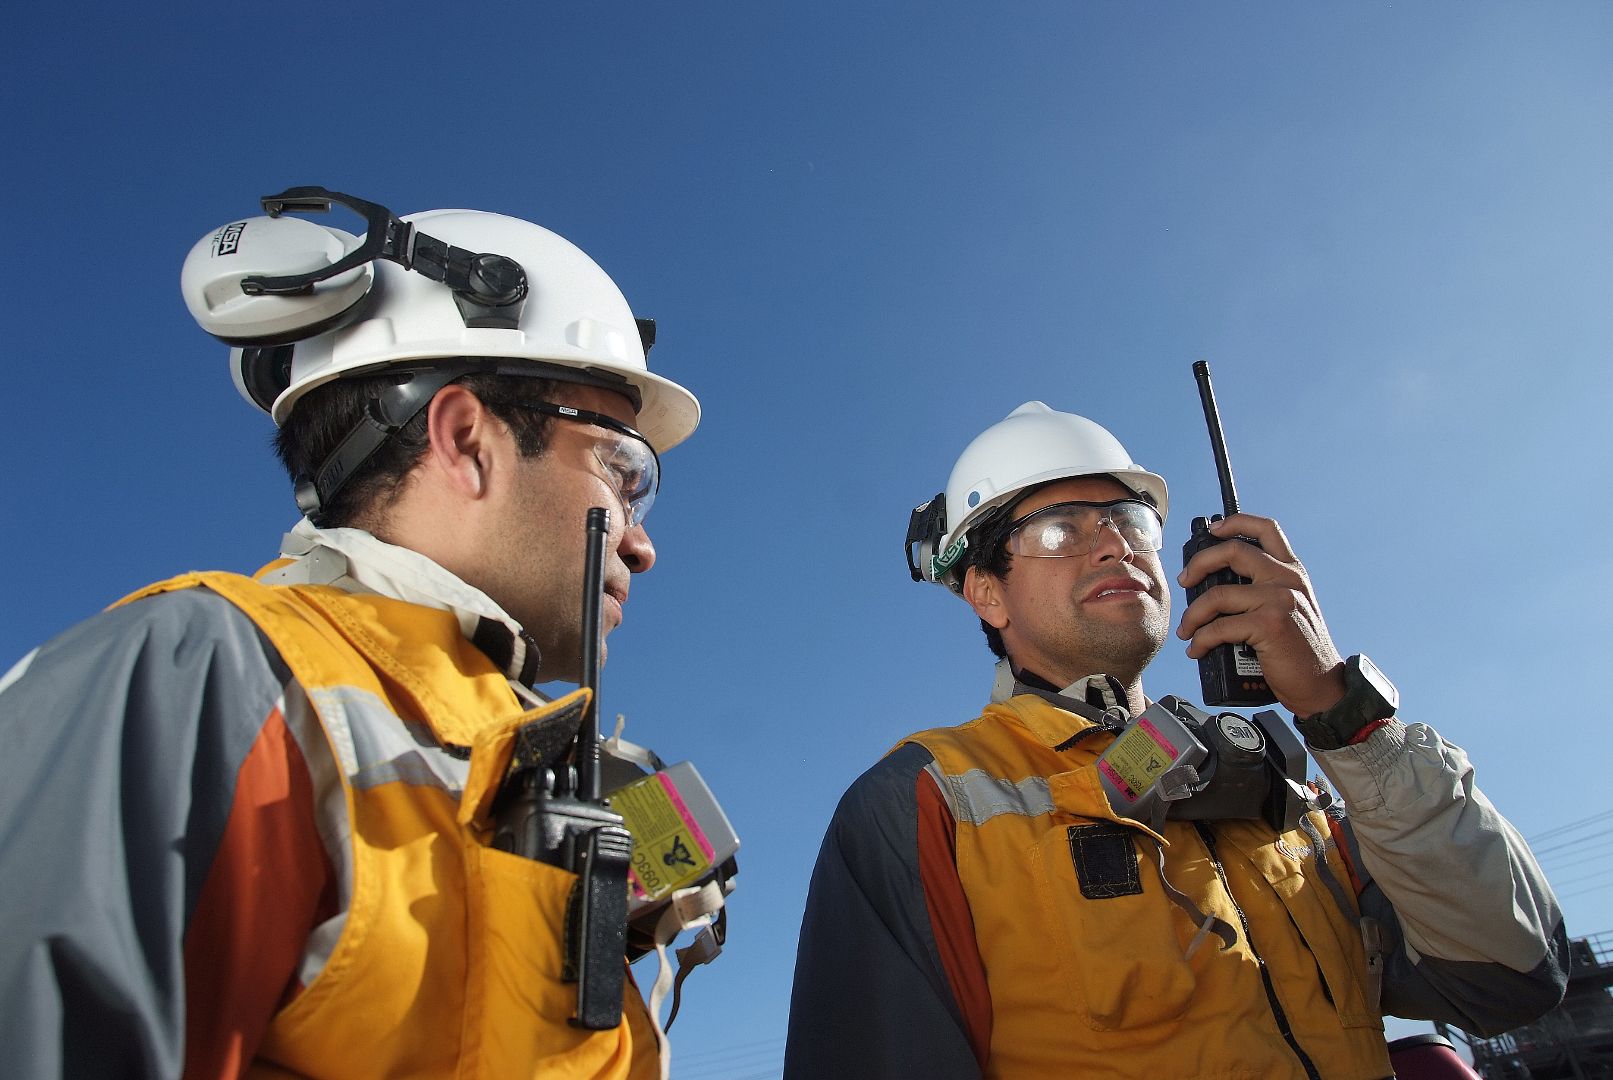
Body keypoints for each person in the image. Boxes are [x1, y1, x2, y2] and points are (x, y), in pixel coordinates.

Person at [0, 188, 706, 1079]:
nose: (640, 544)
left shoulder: (505, 758)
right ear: (466, 440)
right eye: (621, 469)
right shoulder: (206, 680)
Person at [784, 401, 1567, 1079]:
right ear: (986, 593)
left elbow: (1509, 977)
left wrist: (1343, 715)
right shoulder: (926, 799)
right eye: (1058, 529)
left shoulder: (1286, 795)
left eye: (1128, 521)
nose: (1112, 545)